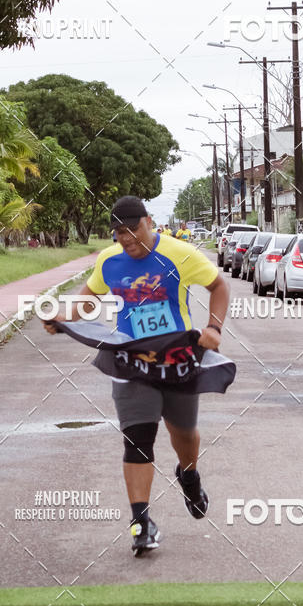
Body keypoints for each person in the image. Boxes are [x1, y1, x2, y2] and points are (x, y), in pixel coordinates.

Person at [44, 195, 230, 556]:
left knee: (184, 435)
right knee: (138, 438)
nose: (126, 239)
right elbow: (88, 300)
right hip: (131, 359)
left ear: (148, 221)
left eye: (132, 229)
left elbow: (219, 286)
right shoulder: (109, 261)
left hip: (177, 359)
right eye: (118, 232)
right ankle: (141, 523)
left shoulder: (180, 253)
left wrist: (214, 328)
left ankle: (188, 475)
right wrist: (63, 317)